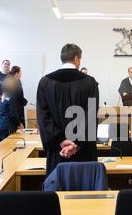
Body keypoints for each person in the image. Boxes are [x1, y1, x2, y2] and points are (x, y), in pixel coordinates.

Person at [37, 44, 100, 175]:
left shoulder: (45, 82)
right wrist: (75, 144)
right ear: (76, 58)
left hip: (58, 150)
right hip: (82, 151)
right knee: (85, 188)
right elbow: (91, 115)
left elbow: (43, 116)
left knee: (57, 187)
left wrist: (60, 140)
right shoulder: (90, 82)